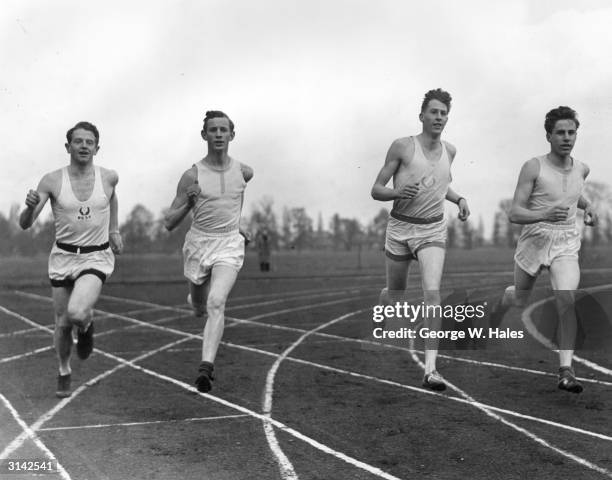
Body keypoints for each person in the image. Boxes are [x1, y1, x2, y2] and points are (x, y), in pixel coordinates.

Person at [491, 106, 598, 394]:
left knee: (566, 300)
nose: (566, 138)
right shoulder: (533, 167)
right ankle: (503, 304)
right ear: (548, 135)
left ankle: (566, 370)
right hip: (534, 239)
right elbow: (515, 213)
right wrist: (543, 215)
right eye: (560, 133)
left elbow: (573, 193)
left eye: (571, 132)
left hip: (565, 242)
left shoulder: (582, 168)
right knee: (519, 298)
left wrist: (588, 208)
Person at [371, 88, 470, 391]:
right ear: (422, 116)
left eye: (443, 113)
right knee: (397, 296)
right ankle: (385, 300)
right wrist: (397, 192)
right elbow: (376, 189)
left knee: (432, 294)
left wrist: (460, 199)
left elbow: (441, 185)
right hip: (400, 229)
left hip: (432, 230)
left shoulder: (450, 151)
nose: (439, 117)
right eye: (434, 112)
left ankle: (431, 370)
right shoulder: (402, 147)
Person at [19, 121, 123, 398]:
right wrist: (28, 208)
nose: (84, 146)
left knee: (76, 313)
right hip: (63, 256)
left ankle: (87, 325)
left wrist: (113, 229)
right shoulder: (52, 180)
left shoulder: (108, 177)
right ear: (68, 146)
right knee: (63, 323)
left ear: (97, 147)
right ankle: (64, 369)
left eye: (90, 142)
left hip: (96, 256)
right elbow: (25, 224)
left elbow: (111, 198)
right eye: (79, 141)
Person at [164, 110, 253, 393]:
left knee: (217, 303)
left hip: (228, 244)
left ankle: (206, 368)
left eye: (222, 130)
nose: (217, 134)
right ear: (204, 135)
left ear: (231, 135)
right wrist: (188, 204)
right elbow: (168, 222)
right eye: (212, 130)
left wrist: (236, 226)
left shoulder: (244, 171)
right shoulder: (192, 175)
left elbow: (236, 199)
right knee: (200, 307)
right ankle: (194, 299)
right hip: (199, 245)